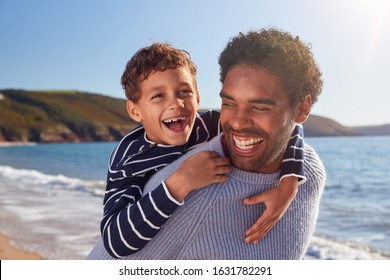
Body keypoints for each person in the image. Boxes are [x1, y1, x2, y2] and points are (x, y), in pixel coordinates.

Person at [90, 30, 319, 259]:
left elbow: (289, 128)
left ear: (198, 98)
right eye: (158, 96)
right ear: (134, 110)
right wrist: (181, 182)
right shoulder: (129, 158)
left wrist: (290, 181)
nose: (176, 104)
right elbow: (114, 241)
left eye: (184, 92)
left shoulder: (208, 125)